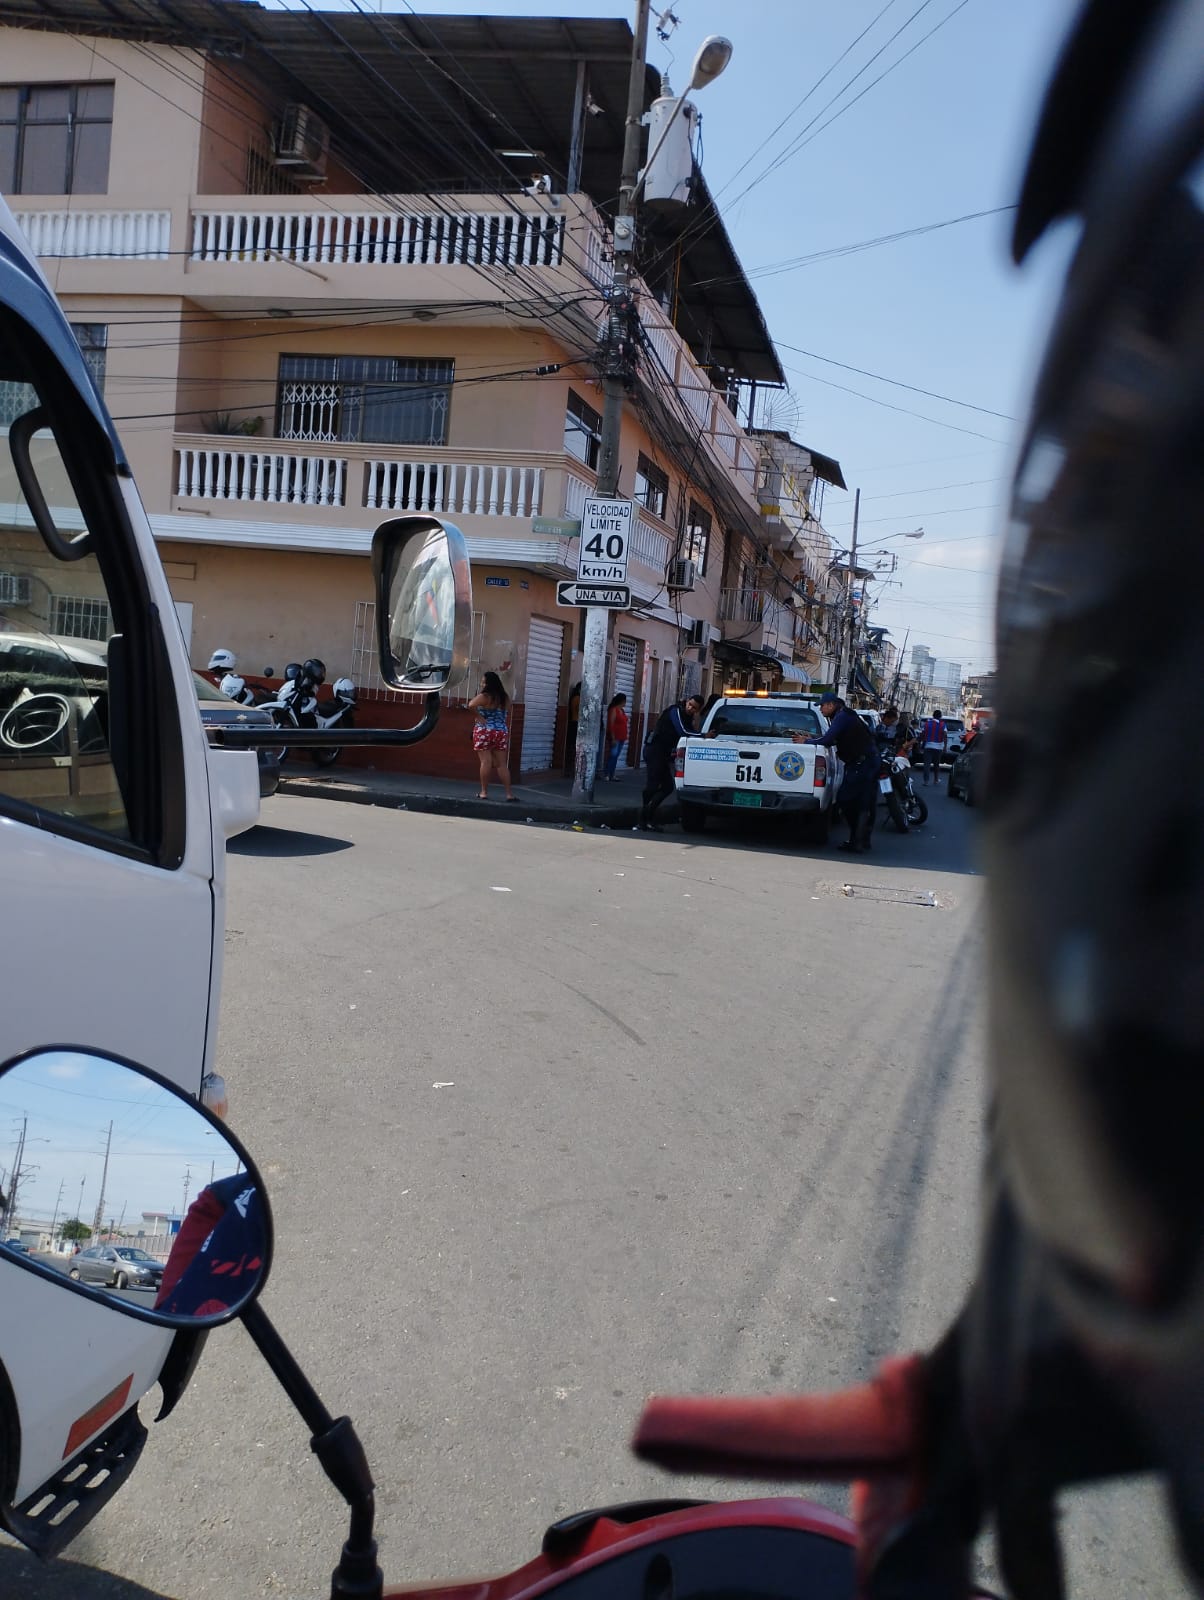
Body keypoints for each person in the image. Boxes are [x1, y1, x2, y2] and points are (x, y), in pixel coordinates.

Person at [800, 691, 878, 852]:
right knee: (862, 802)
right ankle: (860, 840)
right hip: (865, 763)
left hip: (862, 765)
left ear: (831, 705)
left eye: (822, 705)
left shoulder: (842, 717)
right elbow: (833, 738)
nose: (821, 709)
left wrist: (806, 741)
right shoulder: (843, 715)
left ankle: (859, 840)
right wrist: (812, 738)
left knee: (847, 799)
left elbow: (827, 740)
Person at [640, 694, 704, 831]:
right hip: (654, 750)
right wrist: (703, 736)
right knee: (652, 786)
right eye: (690, 705)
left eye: (694, 708)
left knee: (667, 787)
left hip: (663, 753)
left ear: (698, 710)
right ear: (687, 701)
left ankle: (648, 815)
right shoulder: (675, 711)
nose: (690, 708)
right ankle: (644, 819)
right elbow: (683, 731)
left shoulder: (688, 718)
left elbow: (689, 732)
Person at [468, 671, 515, 802]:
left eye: (483, 682)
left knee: (485, 762)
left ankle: (484, 792)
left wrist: (478, 716)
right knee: (502, 764)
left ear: (489, 684)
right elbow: (507, 710)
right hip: (501, 732)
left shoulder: (485, 696)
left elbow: (471, 705)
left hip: (484, 731)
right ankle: (509, 794)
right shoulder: (505, 697)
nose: (482, 684)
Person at [603, 693, 629, 781]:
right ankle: (607, 774)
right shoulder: (614, 710)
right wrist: (613, 738)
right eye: (625, 701)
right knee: (613, 755)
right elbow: (611, 724)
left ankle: (612, 774)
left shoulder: (622, 710)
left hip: (622, 737)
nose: (625, 702)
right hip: (615, 737)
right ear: (621, 701)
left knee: (616, 756)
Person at [919, 708, 946, 786]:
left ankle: (926, 781)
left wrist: (920, 744)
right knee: (936, 764)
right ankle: (936, 779)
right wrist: (945, 747)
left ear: (933, 716)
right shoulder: (943, 724)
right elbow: (945, 736)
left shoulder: (927, 724)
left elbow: (922, 734)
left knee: (927, 764)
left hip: (928, 746)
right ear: (940, 716)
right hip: (938, 747)